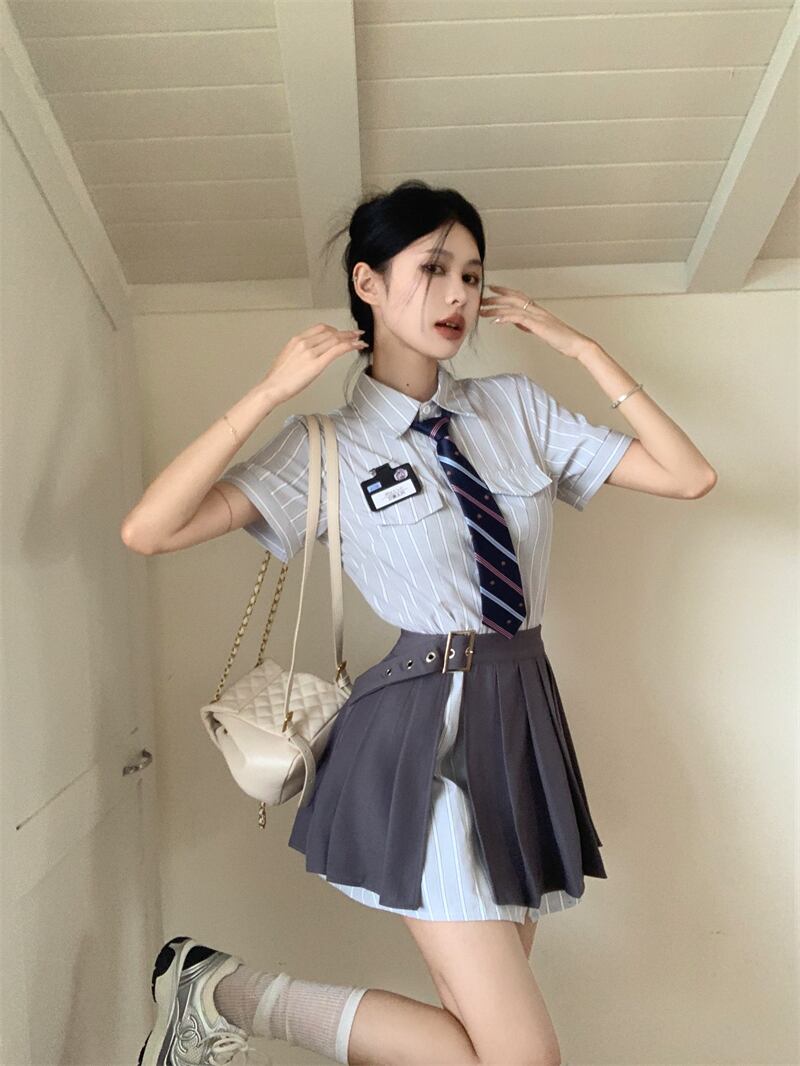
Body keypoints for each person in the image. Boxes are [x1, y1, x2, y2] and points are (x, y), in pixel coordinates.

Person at [122, 180, 717, 1066]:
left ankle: (214, 992)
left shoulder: (516, 409)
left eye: (471, 275)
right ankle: (217, 994)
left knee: (481, 1047)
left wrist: (579, 346)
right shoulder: (325, 445)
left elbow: (688, 475)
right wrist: (270, 392)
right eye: (433, 268)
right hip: (410, 739)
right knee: (524, 1057)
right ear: (367, 283)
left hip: (518, 728)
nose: (457, 295)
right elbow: (149, 530)